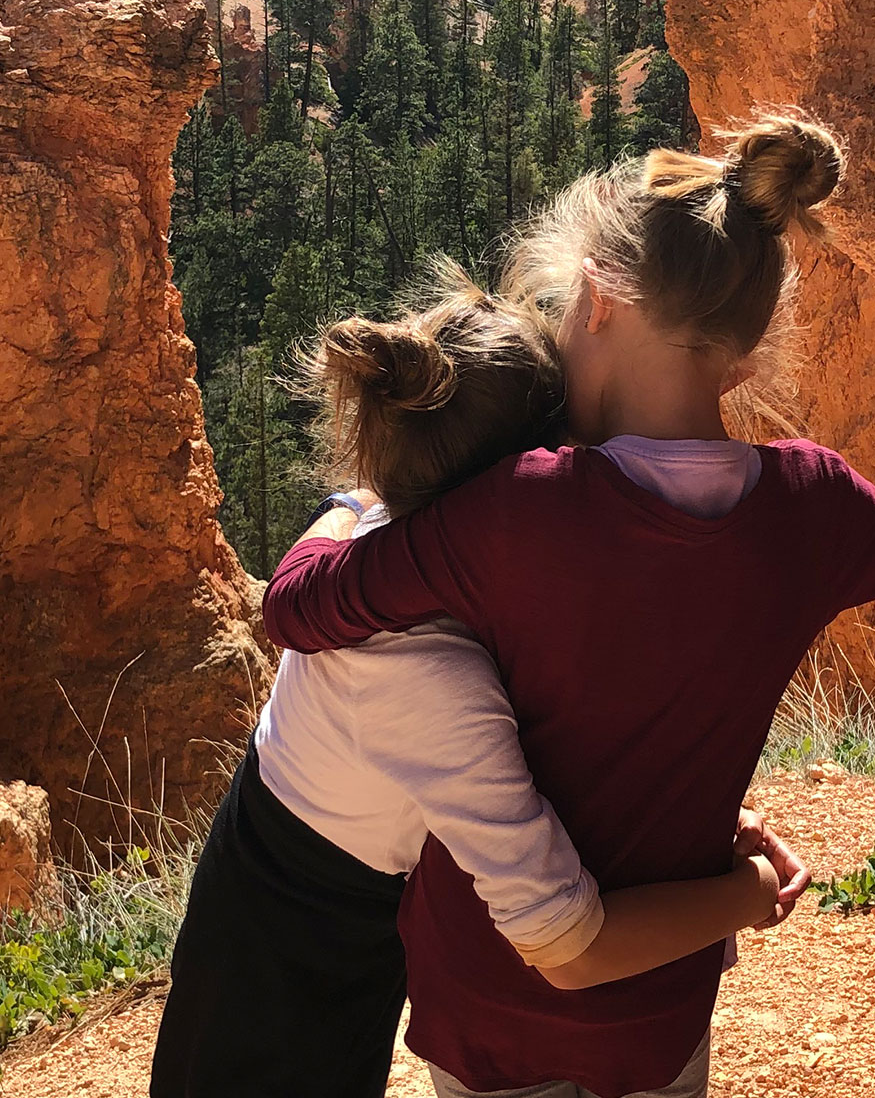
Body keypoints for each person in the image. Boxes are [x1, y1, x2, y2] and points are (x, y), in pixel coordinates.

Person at [263, 113, 875, 1098]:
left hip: (483, 1001)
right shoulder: (810, 506)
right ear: (746, 355)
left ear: (594, 300)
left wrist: (359, 507)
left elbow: (298, 610)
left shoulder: (520, 508)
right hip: (658, 1008)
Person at [149, 269, 811, 1098]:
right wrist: (745, 893)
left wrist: (344, 504)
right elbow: (570, 943)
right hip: (294, 946)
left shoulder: (395, 553)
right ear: (521, 481)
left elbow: (535, 741)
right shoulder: (427, 665)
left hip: (301, 885)